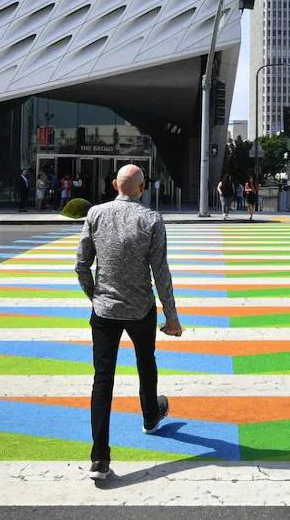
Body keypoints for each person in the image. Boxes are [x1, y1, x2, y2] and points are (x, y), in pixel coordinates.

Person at [75, 164, 182, 482]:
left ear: (114, 185)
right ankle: (150, 415)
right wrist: (172, 318)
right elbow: (160, 272)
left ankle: (99, 458)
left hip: (104, 310)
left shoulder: (95, 214)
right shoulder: (151, 219)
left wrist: (95, 296)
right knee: (146, 362)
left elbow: (81, 264)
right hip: (140, 309)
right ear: (141, 188)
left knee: (102, 380)